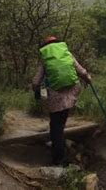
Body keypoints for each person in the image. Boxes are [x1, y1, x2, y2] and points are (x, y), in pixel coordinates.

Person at [32, 35, 92, 166]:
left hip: (56, 95)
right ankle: (62, 149)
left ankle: (59, 159)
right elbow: (81, 70)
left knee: (55, 127)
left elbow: (36, 80)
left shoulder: (45, 57)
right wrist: (88, 78)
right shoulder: (66, 53)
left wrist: (35, 88)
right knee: (61, 121)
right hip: (72, 90)